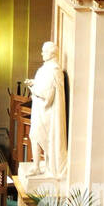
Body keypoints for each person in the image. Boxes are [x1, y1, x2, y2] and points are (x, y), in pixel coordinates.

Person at [24, 42, 68, 177]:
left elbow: (48, 94)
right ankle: (37, 165)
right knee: (34, 135)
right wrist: (34, 83)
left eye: (44, 51)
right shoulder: (47, 68)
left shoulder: (54, 70)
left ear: (52, 53)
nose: (42, 53)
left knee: (42, 137)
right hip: (40, 109)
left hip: (47, 111)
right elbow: (44, 86)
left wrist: (33, 88)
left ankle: (40, 165)